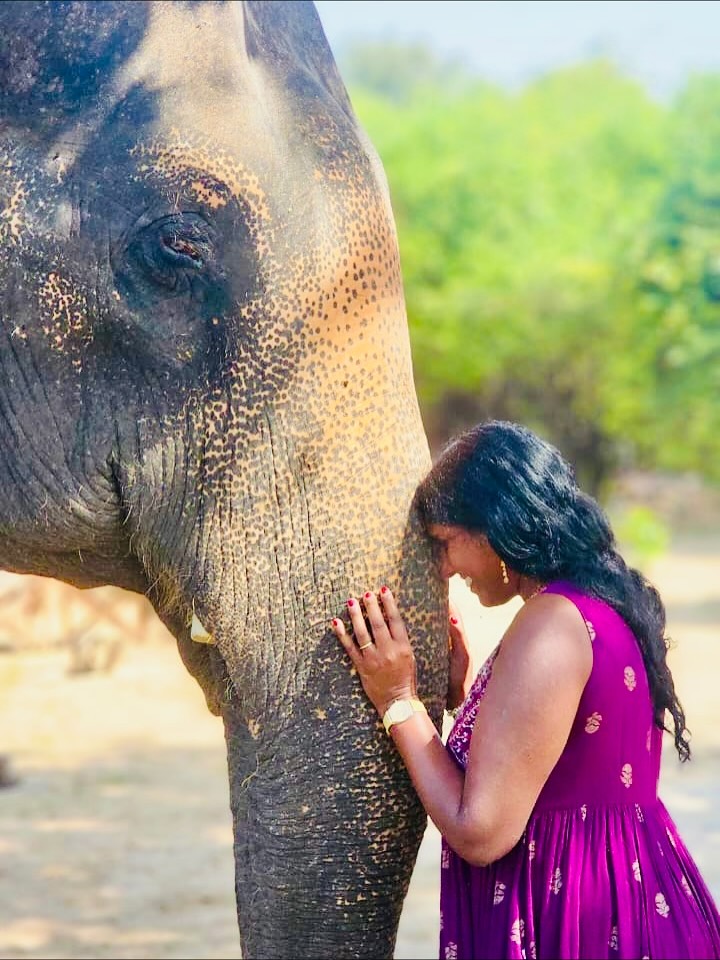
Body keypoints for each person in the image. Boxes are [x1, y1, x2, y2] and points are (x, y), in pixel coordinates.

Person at [331, 419, 720, 960]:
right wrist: (464, 702)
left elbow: (482, 832)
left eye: (444, 543)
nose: (443, 567)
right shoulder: (599, 605)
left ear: (495, 530)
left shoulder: (552, 624)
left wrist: (397, 699)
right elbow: (562, 766)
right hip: (636, 908)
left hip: (580, 927)